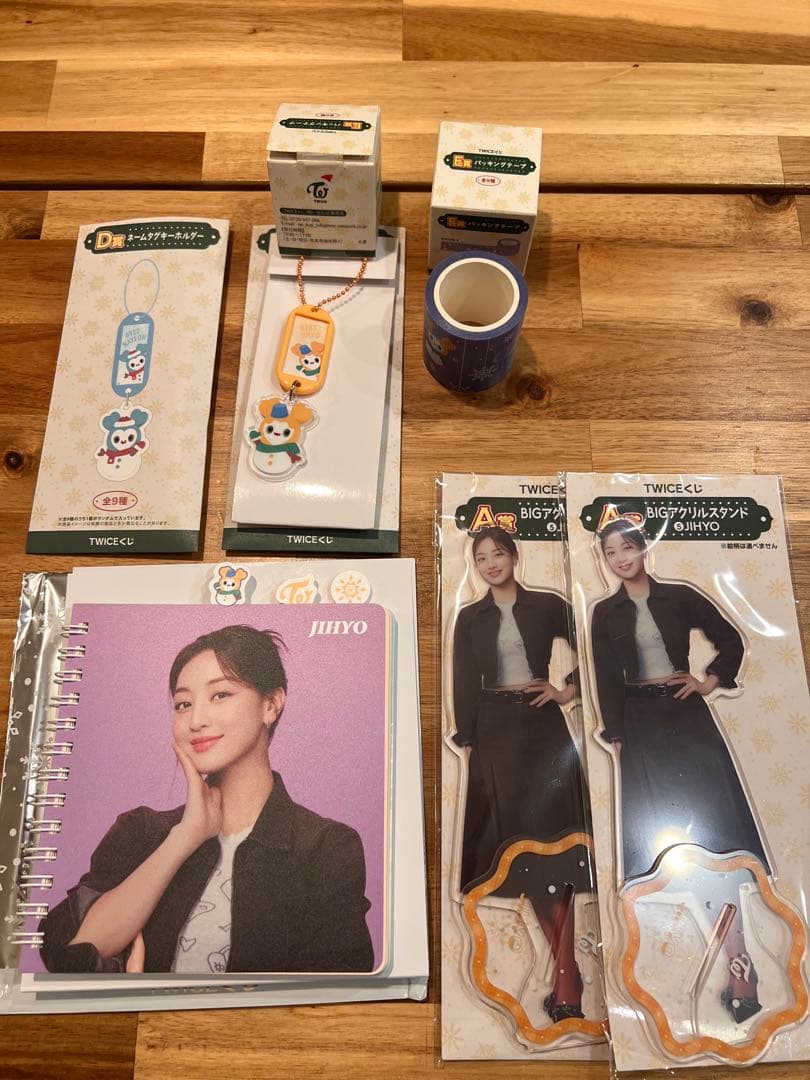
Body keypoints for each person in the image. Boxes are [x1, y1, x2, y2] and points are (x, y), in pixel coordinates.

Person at [40, 625, 374, 974]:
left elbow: (331, 992)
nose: (196, 720)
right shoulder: (141, 831)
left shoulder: (325, 848)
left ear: (271, 705)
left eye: (220, 695)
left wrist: (153, 996)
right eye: (183, 704)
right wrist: (183, 838)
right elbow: (69, 955)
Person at [591, 517, 770, 1023]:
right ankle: (687, 959)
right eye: (610, 553)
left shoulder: (680, 596)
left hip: (687, 718)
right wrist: (618, 734)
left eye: (627, 548)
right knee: (662, 846)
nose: (621, 559)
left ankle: (740, 961)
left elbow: (731, 640)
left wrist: (709, 681)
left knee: (717, 834)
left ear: (644, 548)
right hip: (640, 727)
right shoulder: (604, 611)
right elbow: (605, 677)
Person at [452, 526, 593, 1022]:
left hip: (543, 727)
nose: (490, 564)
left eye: (498, 554)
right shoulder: (470, 617)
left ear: (514, 557)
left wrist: (566, 689)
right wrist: (470, 743)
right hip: (495, 733)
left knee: (556, 846)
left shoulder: (548, 605)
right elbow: (463, 681)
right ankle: (567, 973)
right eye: (481, 558)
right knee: (521, 852)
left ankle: (566, 975)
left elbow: (593, 643)